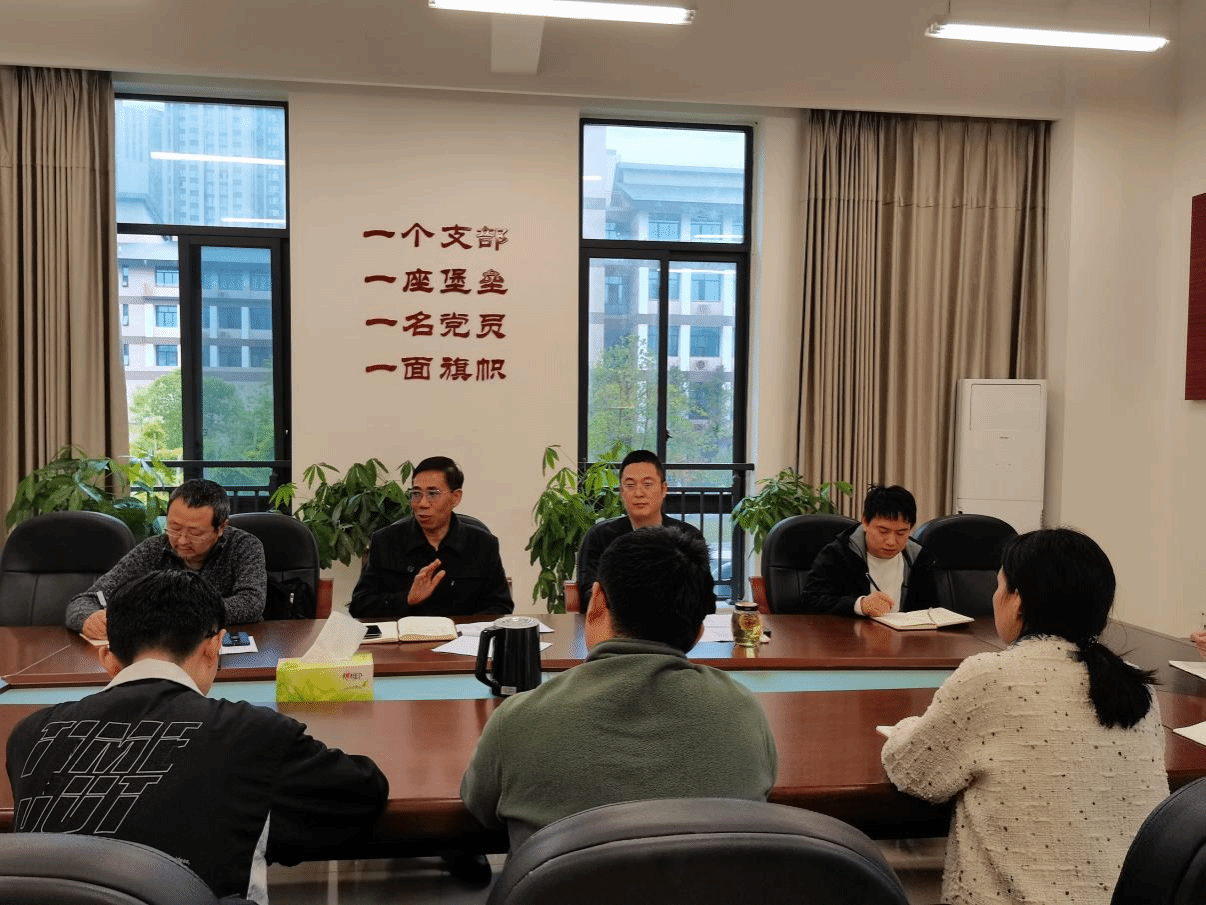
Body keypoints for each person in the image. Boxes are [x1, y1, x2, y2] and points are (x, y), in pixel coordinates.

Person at [8, 570, 388, 904]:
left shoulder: (29, 736)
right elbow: (363, 790)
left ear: (108, 659)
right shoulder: (253, 734)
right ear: (213, 646)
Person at [880, 528, 1167, 905]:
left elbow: (914, 771)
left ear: (1018, 601)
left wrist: (906, 728)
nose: (994, 596)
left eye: (1000, 585)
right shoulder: (1136, 684)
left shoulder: (989, 676)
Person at [460, 526, 777, 850]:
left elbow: (479, 808)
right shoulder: (744, 712)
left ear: (597, 601)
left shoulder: (518, 720)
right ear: (699, 631)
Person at [66, 478, 266, 640]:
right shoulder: (153, 549)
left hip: (228, 648)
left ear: (221, 527)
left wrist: (176, 614)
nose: (182, 540)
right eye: (174, 528)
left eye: (195, 533)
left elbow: (251, 603)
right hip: (164, 651)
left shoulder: (243, 546)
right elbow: (87, 600)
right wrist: (88, 618)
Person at [349, 456, 511, 618]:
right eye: (416, 493)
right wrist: (406, 599)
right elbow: (359, 605)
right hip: (406, 633)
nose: (422, 503)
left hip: (462, 634)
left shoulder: (483, 544)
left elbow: (500, 605)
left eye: (433, 493)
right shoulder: (386, 542)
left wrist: (464, 628)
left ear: (456, 497)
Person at [575, 449, 707, 600]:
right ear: (621, 492)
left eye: (647, 484)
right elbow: (588, 594)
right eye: (630, 485)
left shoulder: (688, 536)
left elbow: (702, 594)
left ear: (664, 489)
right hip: (616, 615)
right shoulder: (600, 536)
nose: (639, 493)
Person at [792, 483, 936, 616]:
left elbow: (931, 608)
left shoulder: (918, 557)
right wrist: (859, 605)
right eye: (883, 531)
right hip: (851, 634)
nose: (891, 542)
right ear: (865, 522)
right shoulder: (839, 553)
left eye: (901, 533)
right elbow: (811, 600)